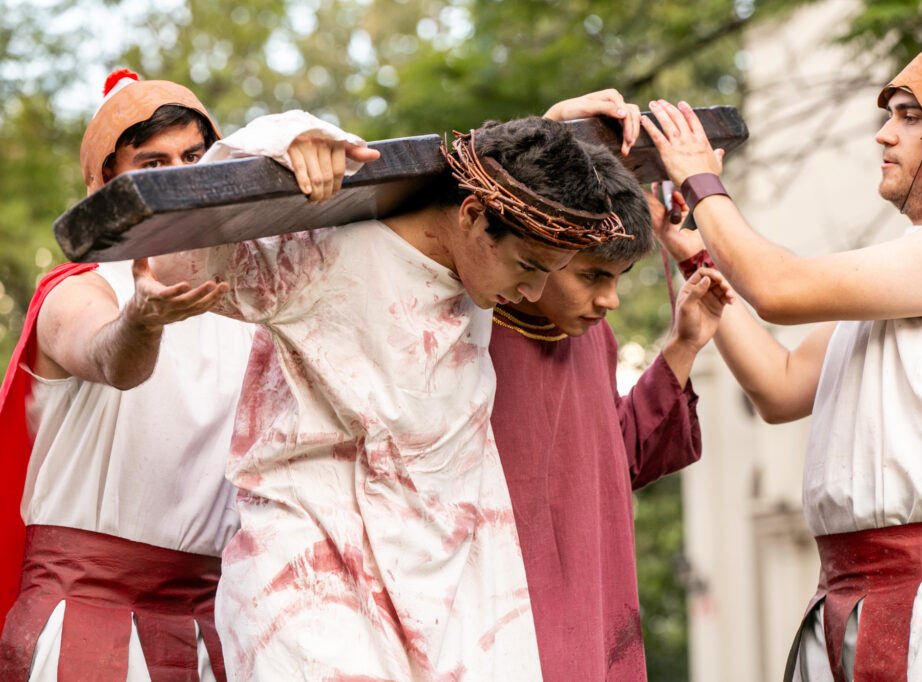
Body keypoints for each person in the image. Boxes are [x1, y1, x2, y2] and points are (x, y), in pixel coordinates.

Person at [150, 108, 633, 680]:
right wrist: (274, 140)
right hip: (311, 597)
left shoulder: (488, 263)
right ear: (472, 216)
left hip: (440, 605)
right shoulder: (327, 253)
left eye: (551, 272)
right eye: (527, 267)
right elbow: (172, 263)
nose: (532, 292)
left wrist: (559, 127)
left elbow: (506, 169)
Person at [643, 31, 922, 680]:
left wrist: (700, 181)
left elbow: (777, 289)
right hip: (852, 597)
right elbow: (779, 385)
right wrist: (694, 254)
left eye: (909, 116)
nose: (883, 135)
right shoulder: (910, 276)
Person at [0, 70, 356, 681]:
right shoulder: (77, 292)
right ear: (105, 183)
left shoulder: (249, 303)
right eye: (153, 163)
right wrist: (142, 320)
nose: (180, 176)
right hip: (82, 619)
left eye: (194, 157)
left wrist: (304, 143)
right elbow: (111, 357)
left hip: (215, 622)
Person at [486, 89, 731, 680]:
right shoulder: (468, 319)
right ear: (540, 251)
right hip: (499, 611)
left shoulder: (594, 336)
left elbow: (613, 459)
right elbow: (479, 201)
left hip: (594, 607)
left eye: (618, 279)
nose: (610, 300)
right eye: (593, 276)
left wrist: (682, 347)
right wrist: (548, 131)